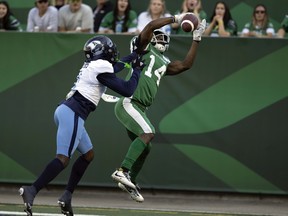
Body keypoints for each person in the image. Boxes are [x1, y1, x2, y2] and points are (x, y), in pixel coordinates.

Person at [19, 35, 146, 216]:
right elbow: (127, 89)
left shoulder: (94, 65)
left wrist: (133, 56)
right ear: (104, 51)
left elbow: (115, 68)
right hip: (74, 113)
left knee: (88, 155)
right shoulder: (100, 67)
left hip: (68, 111)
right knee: (63, 159)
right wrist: (137, 71)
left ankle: (67, 197)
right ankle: (31, 189)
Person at [111, 14, 206, 202]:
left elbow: (186, 65)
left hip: (140, 108)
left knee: (146, 147)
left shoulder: (163, 62)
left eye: (164, 37)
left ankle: (130, 181)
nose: (161, 39)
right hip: (129, 102)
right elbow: (151, 25)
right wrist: (176, 18)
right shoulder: (142, 50)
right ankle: (122, 170)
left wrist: (196, 39)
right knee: (148, 132)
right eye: (157, 37)